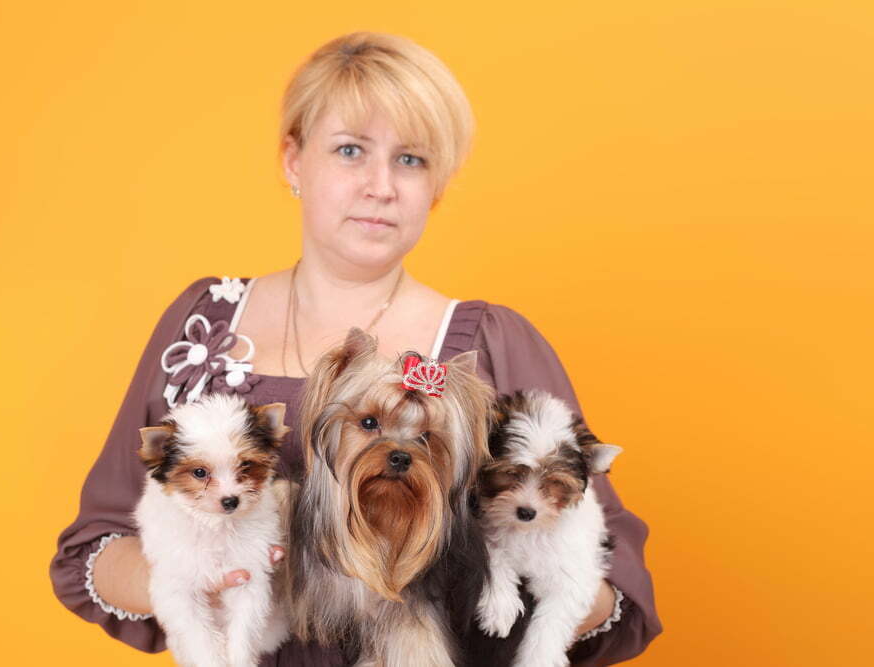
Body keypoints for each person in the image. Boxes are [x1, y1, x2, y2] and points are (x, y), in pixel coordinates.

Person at [50, 31, 662, 666]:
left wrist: (470, 560)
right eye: (350, 151)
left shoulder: (493, 345)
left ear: (439, 185)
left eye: (412, 160)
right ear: (293, 160)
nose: (381, 186)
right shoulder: (203, 323)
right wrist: (196, 582)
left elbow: (604, 580)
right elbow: (95, 546)